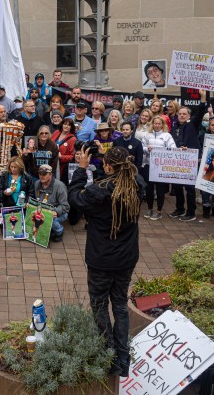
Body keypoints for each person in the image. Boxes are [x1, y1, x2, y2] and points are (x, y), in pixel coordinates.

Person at [67, 145, 143, 378]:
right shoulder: (135, 184)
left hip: (102, 260)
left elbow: (75, 199)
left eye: (105, 163)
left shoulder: (99, 191)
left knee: (100, 305)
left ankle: (109, 354)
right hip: (126, 259)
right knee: (119, 305)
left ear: (108, 166)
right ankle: (123, 358)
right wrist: (113, 155)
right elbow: (131, 172)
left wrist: (81, 169)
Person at [171, 97, 207, 222]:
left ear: (189, 116)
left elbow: (200, 112)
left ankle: (191, 212)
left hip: (191, 160)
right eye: (180, 114)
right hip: (178, 160)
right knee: (176, 185)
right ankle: (180, 208)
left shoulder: (193, 123)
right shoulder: (175, 127)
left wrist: (203, 99)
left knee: (189, 187)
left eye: (184, 114)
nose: (181, 116)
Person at [142, 116, 176, 221]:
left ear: (163, 125)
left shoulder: (167, 136)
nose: (157, 125)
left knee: (160, 189)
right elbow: (142, 147)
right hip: (149, 164)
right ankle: (150, 209)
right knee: (149, 189)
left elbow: (173, 148)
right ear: (152, 124)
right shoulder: (147, 135)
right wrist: (148, 149)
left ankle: (159, 211)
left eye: (159, 123)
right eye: (155, 123)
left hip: (161, 166)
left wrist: (159, 149)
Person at [33, 164, 68, 243]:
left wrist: (56, 211)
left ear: (50, 174)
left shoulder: (60, 186)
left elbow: (65, 206)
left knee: (49, 220)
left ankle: (60, 231)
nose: (42, 176)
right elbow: (34, 198)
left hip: (58, 212)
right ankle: (48, 230)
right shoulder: (36, 183)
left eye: (44, 174)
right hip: (42, 210)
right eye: (40, 174)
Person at [52, 117, 77, 184]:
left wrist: (61, 157)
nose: (66, 126)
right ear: (62, 124)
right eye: (65, 124)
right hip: (51, 163)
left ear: (71, 127)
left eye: (69, 125)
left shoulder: (73, 139)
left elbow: (72, 156)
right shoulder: (56, 132)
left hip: (62, 167)